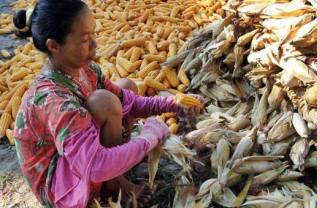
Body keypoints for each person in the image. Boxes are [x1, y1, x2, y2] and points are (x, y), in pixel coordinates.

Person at [12, 0, 204, 207]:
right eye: (85, 39)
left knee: (126, 87)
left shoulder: (86, 70)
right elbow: (94, 165)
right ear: (54, 45)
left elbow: (130, 101)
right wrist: (150, 137)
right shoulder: (52, 100)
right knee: (104, 102)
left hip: (81, 156)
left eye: (93, 34)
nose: (95, 45)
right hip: (61, 186)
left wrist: (174, 103)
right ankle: (112, 182)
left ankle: (117, 168)